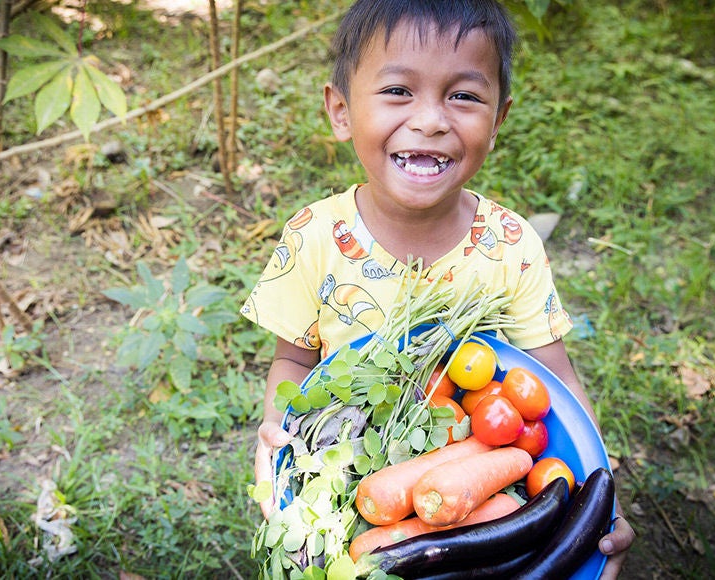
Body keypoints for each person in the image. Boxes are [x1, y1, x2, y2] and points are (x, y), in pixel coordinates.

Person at [242, 0, 635, 576]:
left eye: (465, 96)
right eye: (398, 91)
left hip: (488, 470)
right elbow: (293, 363)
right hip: (353, 456)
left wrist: (598, 500)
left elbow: (557, 385)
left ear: (499, 120)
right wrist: (279, 436)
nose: (430, 119)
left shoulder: (511, 246)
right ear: (341, 109)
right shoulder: (314, 237)